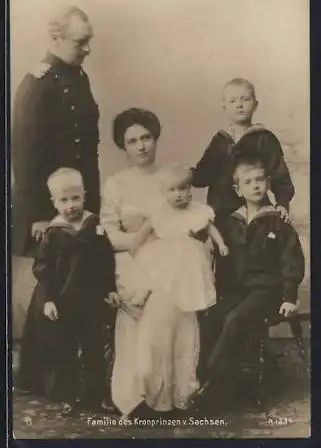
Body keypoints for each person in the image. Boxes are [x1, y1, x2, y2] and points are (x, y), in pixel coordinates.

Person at [101, 108, 201, 419]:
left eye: (146, 138)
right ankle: (138, 395)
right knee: (140, 303)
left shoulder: (170, 178)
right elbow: (109, 234)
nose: (141, 146)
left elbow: (189, 220)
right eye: (132, 141)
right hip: (129, 260)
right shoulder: (116, 184)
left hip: (168, 260)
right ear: (123, 145)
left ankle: (173, 394)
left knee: (170, 304)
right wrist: (137, 241)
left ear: (156, 139)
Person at [190, 152, 305, 413]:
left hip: (266, 292)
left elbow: (291, 261)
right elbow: (218, 253)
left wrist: (289, 296)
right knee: (211, 316)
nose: (255, 185)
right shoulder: (231, 222)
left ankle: (212, 384)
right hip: (235, 291)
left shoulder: (278, 220)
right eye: (248, 181)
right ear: (237, 189)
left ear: (267, 183)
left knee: (236, 319)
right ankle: (203, 378)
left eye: (260, 180)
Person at [11, 6, 100, 340]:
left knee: (77, 280)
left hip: (79, 196)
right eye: (81, 42)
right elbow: (25, 155)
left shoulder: (79, 77)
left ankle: (73, 366)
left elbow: (87, 147)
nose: (87, 49)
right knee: (50, 285)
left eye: (90, 40)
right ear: (55, 38)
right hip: (50, 204)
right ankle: (43, 369)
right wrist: (36, 214)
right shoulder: (38, 84)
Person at [15, 168, 117, 416]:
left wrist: (110, 289)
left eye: (75, 198)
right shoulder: (54, 233)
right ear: (53, 202)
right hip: (65, 300)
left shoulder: (95, 226)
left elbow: (105, 260)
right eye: (63, 200)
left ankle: (97, 395)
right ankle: (71, 396)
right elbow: (43, 269)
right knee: (67, 349)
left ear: (84, 195)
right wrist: (49, 299)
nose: (70, 205)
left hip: (92, 300)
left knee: (94, 347)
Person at [125, 164, 229, 314]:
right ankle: (145, 294)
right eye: (172, 190)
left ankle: (196, 310)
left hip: (190, 253)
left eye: (183, 189)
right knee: (156, 270)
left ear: (189, 190)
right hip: (167, 252)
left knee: (193, 280)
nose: (178, 194)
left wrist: (221, 244)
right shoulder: (162, 212)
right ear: (164, 192)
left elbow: (210, 228)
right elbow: (145, 229)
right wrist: (136, 244)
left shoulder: (197, 211)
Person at [192, 77, 295, 221]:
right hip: (221, 209)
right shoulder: (220, 140)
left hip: (254, 208)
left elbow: (279, 175)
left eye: (245, 99)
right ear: (224, 107)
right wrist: (186, 175)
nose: (239, 105)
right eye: (233, 101)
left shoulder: (264, 138)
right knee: (225, 242)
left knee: (259, 239)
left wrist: (282, 202)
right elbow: (204, 174)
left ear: (255, 105)